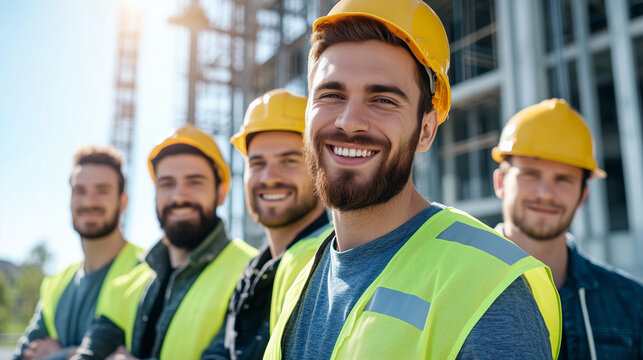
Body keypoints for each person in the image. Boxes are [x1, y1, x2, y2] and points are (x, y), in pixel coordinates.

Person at [264, 0, 562, 359]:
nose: (349, 121)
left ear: (425, 131)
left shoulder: (487, 290)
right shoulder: (301, 279)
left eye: (383, 100)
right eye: (332, 94)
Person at [72, 124, 257, 360]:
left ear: (221, 192)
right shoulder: (127, 284)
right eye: (167, 184)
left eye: (194, 182)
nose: (179, 196)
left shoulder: (251, 273)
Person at [492, 98, 643, 360]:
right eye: (530, 174)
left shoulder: (633, 303)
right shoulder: (455, 291)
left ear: (583, 194)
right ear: (500, 182)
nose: (545, 194)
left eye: (563, 179)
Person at [201, 89, 332, 360]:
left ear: (321, 167)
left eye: (289, 161)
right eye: (257, 163)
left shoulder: (332, 266)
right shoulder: (254, 272)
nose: (270, 177)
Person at [14, 146, 143, 360]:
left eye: (102, 191)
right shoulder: (56, 285)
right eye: (80, 191)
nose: (89, 201)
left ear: (123, 202)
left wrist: (61, 355)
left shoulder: (148, 273)